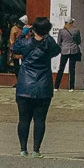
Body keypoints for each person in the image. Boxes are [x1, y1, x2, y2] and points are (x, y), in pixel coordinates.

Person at [12, 17, 59, 156]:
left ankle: (22, 149)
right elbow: (57, 50)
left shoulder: (26, 43)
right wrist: (47, 35)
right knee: (40, 120)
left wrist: (23, 32)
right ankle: (36, 150)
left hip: (25, 85)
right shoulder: (49, 44)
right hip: (43, 85)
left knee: (23, 119)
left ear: (33, 29)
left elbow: (14, 46)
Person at [56, 19, 82, 91]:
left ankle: (56, 86)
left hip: (64, 50)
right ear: (72, 23)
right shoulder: (76, 30)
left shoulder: (61, 31)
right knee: (72, 69)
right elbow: (79, 41)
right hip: (73, 50)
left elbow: (59, 42)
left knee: (61, 68)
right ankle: (71, 87)